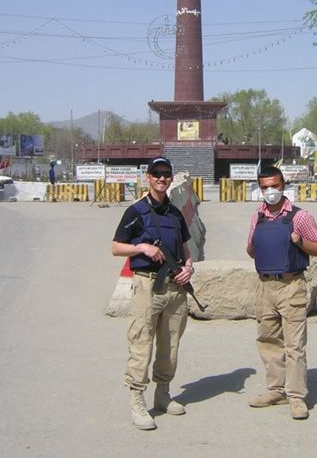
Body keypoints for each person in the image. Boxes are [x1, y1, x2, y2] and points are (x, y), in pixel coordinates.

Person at [111, 156, 194, 431]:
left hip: (174, 287)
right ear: (148, 176)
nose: (162, 178)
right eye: (157, 173)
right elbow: (116, 247)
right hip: (146, 284)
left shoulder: (174, 213)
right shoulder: (136, 212)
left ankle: (162, 394)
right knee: (141, 342)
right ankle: (137, 400)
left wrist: (189, 269)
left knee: (170, 344)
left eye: (166, 174)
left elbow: (185, 249)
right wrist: (142, 248)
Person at [246, 165, 317, 420]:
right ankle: (275, 390)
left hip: (291, 286)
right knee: (268, 341)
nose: (270, 191)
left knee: (294, 345)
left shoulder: (301, 217)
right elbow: (250, 249)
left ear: (283, 185)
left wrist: (298, 242)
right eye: (265, 187)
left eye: (275, 186)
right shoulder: (257, 216)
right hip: (265, 285)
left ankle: (296, 397)